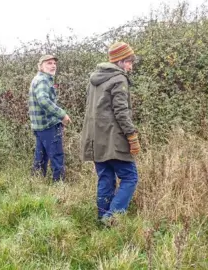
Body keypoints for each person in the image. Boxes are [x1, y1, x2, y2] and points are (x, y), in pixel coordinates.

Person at [80, 41, 141, 225]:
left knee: (105, 177)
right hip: (113, 139)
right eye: (129, 61)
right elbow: (121, 112)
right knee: (130, 177)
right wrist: (131, 136)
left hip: (94, 138)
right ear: (120, 61)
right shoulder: (119, 79)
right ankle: (111, 217)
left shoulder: (95, 79)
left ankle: (102, 217)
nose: (131, 66)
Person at [28, 55, 71, 182]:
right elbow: (43, 100)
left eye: (54, 63)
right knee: (57, 157)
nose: (53, 66)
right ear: (41, 66)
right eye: (49, 63)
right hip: (48, 125)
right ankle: (60, 186)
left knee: (40, 158)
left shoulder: (38, 78)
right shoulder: (43, 80)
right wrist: (62, 114)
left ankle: (36, 183)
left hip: (39, 126)